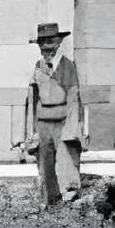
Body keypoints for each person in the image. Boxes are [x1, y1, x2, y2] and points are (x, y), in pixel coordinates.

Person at [18, 20, 86, 209]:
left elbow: (74, 97)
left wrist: (72, 129)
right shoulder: (38, 67)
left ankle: (71, 202)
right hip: (43, 123)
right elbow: (32, 98)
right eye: (42, 43)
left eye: (50, 42)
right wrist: (31, 131)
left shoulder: (67, 66)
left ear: (58, 43)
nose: (46, 47)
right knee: (45, 164)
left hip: (63, 122)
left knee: (66, 161)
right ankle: (50, 203)